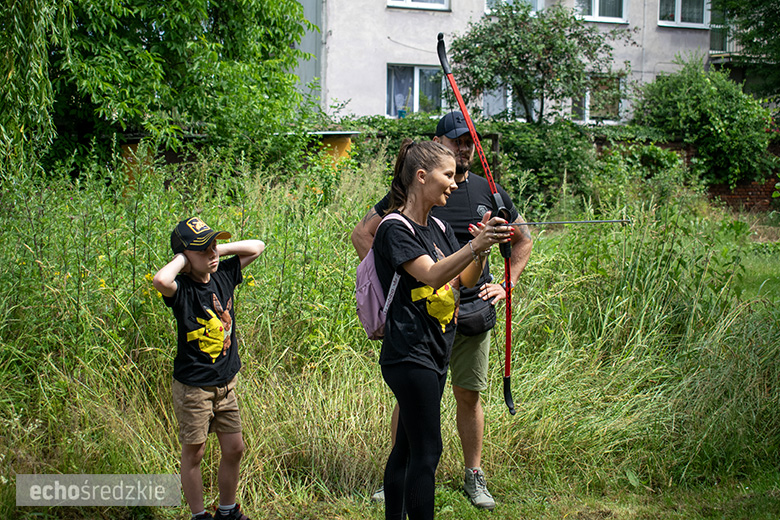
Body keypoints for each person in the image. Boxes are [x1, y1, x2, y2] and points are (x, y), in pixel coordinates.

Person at [351, 112, 532, 510]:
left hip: (434, 346)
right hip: (408, 349)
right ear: (421, 177)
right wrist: (473, 246)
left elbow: (466, 279)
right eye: (446, 175)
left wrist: (482, 246)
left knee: (405, 450)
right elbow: (432, 275)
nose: (454, 182)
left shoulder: (438, 228)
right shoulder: (395, 228)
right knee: (428, 453)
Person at [153, 217, 265, 520]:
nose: (212, 254)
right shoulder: (183, 290)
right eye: (203, 250)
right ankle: (199, 515)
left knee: (235, 448)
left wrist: (215, 250)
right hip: (194, 387)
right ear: (185, 257)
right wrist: (182, 259)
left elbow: (258, 246)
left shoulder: (224, 275)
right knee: (196, 452)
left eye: (213, 246)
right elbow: (161, 281)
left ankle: (227, 511)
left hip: (226, 384)